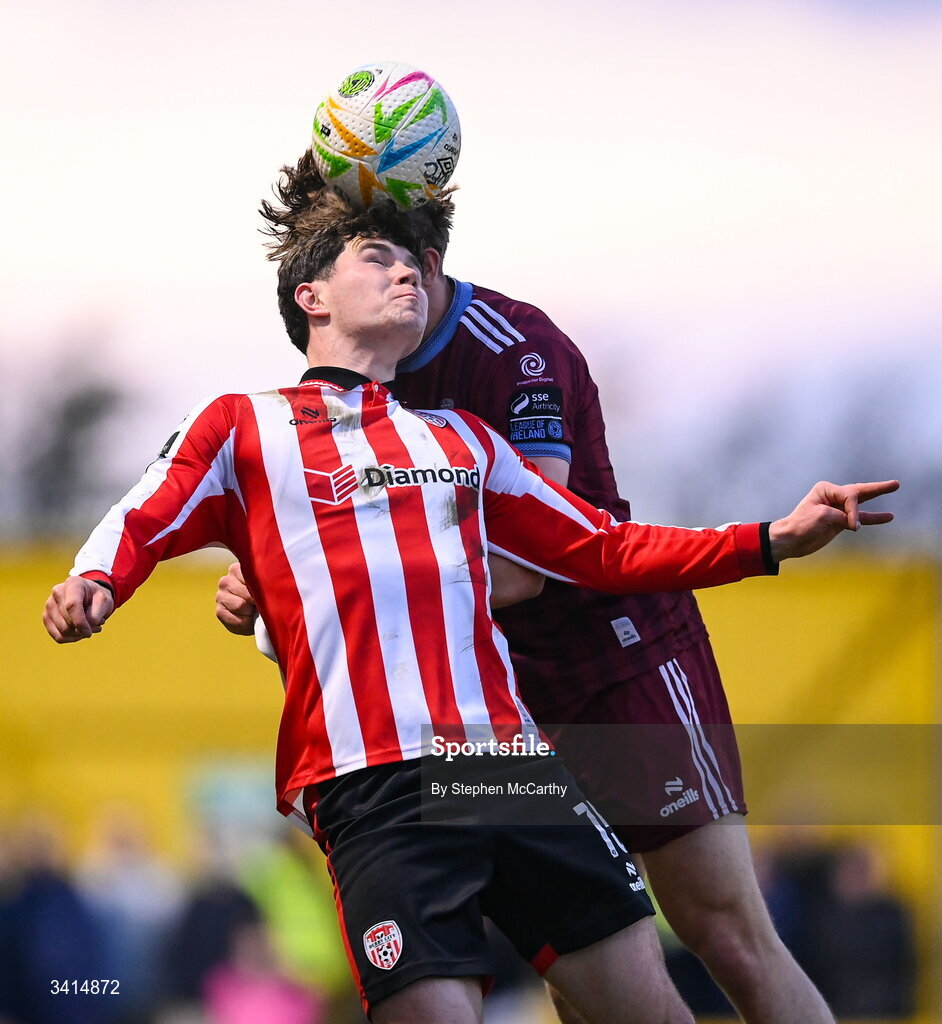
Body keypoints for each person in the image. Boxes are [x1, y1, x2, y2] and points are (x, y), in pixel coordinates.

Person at [43, 190, 897, 1024]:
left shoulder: (458, 437)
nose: (406, 273)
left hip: (505, 764)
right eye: (375, 259)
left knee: (652, 1001)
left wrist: (769, 538)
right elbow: (148, 512)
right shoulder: (239, 425)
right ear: (310, 298)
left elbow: (601, 547)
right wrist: (98, 581)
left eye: (412, 260)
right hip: (370, 782)